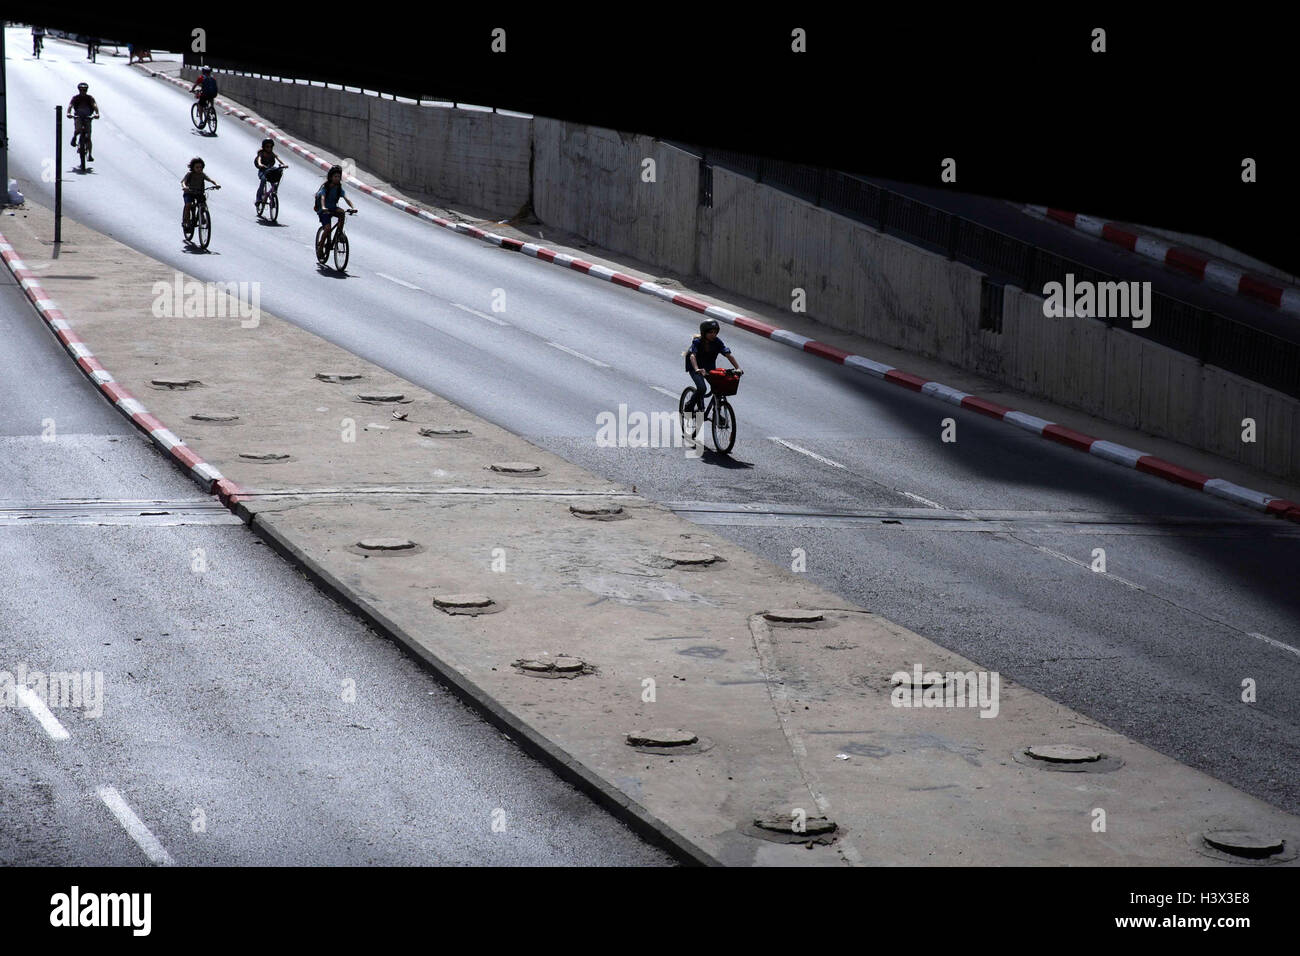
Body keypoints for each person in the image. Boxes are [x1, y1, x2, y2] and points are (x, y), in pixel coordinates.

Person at [684, 320, 741, 413]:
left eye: (715, 332)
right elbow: (692, 356)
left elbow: (728, 355)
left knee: (719, 387)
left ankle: (717, 413)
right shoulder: (697, 342)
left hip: (709, 367)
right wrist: (697, 369)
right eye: (710, 332)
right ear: (704, 333)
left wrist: (738, 368)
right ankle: (689, 406)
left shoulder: (717, 342)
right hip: (695, 367)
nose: (713, 334)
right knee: (702, 388)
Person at [314, 164, 356, 246]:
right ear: (331, 177)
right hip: (323, 211)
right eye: (335, 176)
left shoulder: (339, 188)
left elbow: (346, 198)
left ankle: (339, 234)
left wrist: (353, 207)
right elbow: (322, 198)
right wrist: (323, 207)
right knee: (327, 229)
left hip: (333, 208)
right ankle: (321, 246)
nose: (337, 178)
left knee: (342, 213)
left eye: (338, 176)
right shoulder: (325, 187)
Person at [181, 157, 220, 232]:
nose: (199, 169)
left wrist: (216, 184)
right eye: (197, 167)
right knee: (188, 204)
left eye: (201, 167)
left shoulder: (202, 175)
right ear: (193, 168)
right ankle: (186, 221)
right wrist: (185, 187)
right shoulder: (190, 174)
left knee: (202, 204)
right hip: (189, 193)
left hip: (199, 192)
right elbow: (183, 182)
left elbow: (210, 180)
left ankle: (201, 215)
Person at [66, 83, 100, 160]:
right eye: (81, 90)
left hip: (88, 117)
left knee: (88, 136)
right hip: (78, 116)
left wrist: (97, 113)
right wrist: (68, 113)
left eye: (84, 90)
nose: (83, 91)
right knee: (78, 129)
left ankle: (90, 155)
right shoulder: (75, 98)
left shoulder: (90, 98)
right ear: (79, 90)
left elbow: (94, 105)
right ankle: (75, 137)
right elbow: (70, 105)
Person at [253, 139, 284, 205]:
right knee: (263, 180)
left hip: (269, 171)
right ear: (264, 147)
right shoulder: (261, 153)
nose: (269, 148)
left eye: (270, 147)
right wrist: (260, 164)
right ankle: (258, 198)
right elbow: (259, 159)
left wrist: (283, 164)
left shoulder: (272, 154)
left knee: (275, 180)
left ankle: (272, 193)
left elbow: (278, 159)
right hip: (263, 171)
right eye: (267, 147)